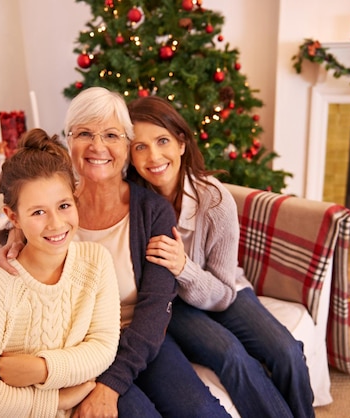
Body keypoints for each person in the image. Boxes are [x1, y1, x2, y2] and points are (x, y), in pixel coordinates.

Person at [0, 88, 230, 418]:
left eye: (111, 135)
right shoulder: (56, 211)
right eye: (84, 133)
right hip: (77, 345)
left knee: (202, 410)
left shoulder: (152, 211)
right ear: (70, 141)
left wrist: (112, 383)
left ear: (126, 144)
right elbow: (23, 215)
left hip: (138, 336)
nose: (98, 146)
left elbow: (156, 307)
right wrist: (12, 239)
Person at [126, 95, 315, 418]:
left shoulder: (214, 200)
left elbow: (225, 293)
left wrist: (184, 267)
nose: (153, 156)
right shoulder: (131, 201)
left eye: (162, 141)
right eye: (140, 146)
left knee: (286, 351)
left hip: (222, 289)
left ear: (182, 144)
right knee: (231, 355)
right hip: (174, 304)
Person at [0, 129, 121, 417]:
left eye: (64, 206)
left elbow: (103, 348)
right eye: (38, 213)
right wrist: (56, 401)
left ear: (75, 200)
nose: (56, 224)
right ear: (13, 217)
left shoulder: (96, 262)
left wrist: (41, 369)